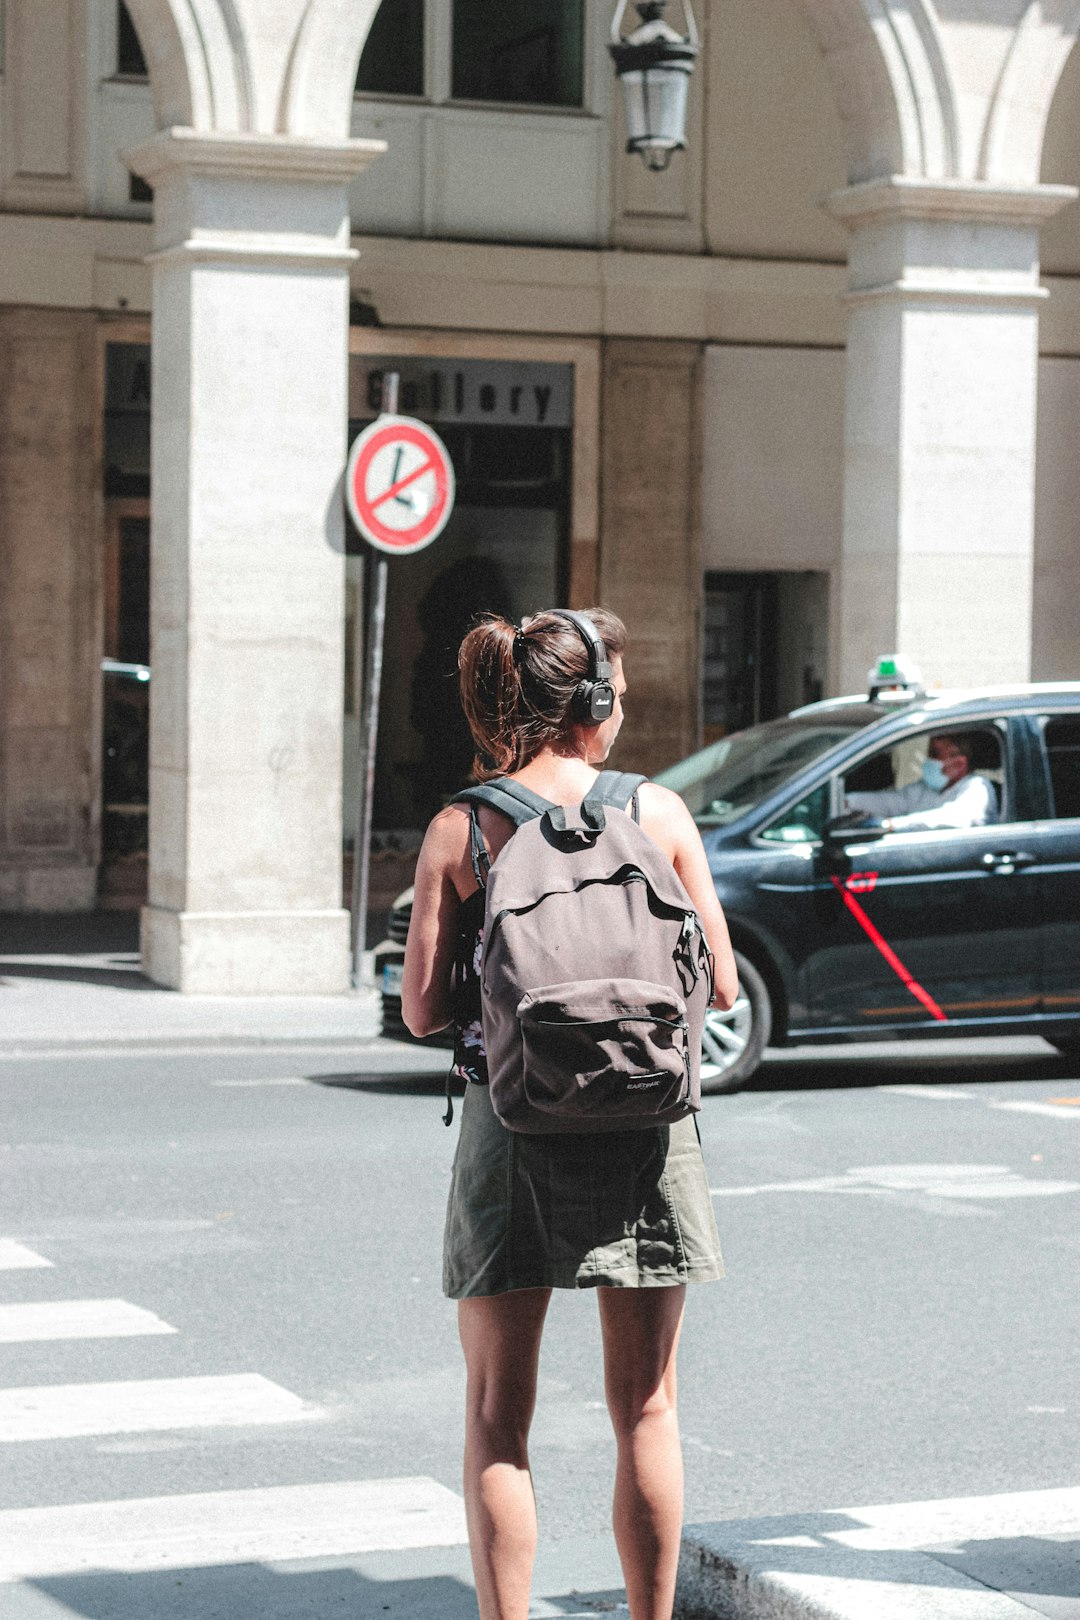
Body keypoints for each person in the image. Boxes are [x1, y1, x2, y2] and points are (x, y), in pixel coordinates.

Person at [402, 608, 738, 1620]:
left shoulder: (465, 826)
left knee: (500, 1414)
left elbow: (420, 1009)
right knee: (647, 1406)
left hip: (511, 1128)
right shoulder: (660, 815)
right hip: (647, 1134)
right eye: (619, 696)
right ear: (590, 706)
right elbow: (720, 983)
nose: (623, 710)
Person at [844, 731, 996, 833]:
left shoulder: (977, 787)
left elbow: (955, 818)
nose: (928, 760)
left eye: (935, 754)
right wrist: (848, 801)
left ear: (959, 764)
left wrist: (893, 825)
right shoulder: (927, 789)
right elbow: (892, 801)